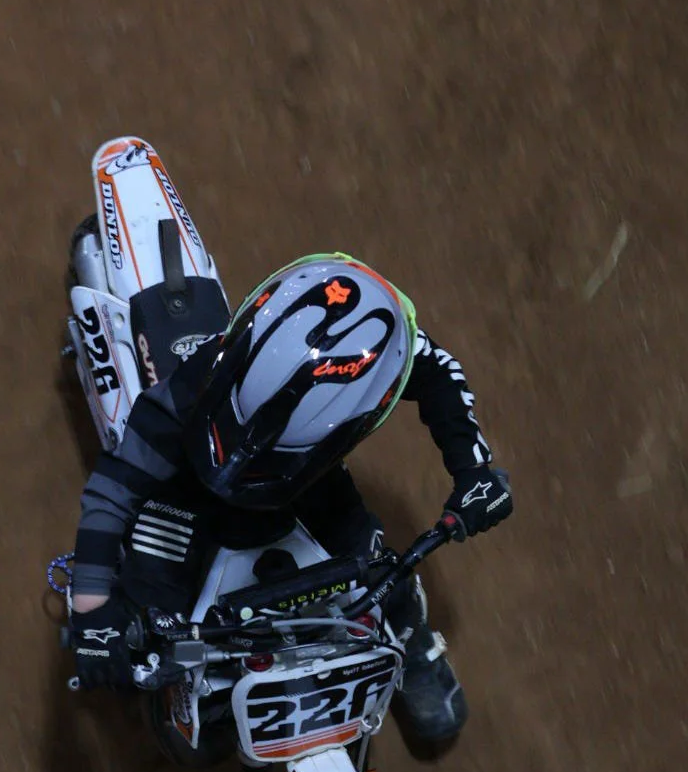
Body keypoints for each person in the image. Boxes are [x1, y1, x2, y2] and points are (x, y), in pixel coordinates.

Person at [68, 254, 512, 743]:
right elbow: (116, 483)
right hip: (188, 487)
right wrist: (92, 610)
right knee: (147, 625)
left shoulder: (390, 353)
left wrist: (474, 472)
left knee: (381, 571)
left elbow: (441, 374)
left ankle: (411, 640)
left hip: (306, 485)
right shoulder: (197, 382)